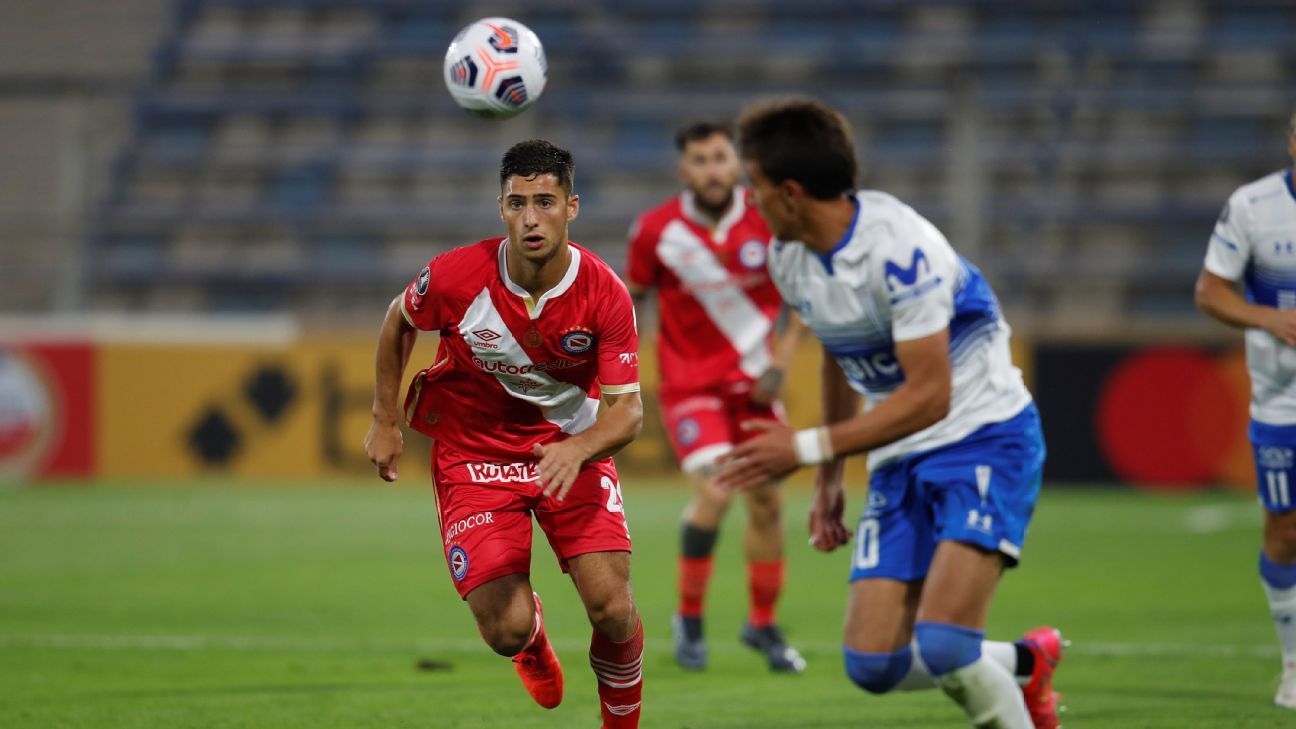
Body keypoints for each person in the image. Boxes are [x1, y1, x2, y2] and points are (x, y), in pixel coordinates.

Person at [716, 99, 1063, 729]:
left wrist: (806, 448)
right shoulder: (788, 258)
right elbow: (835, 351)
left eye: (755, 185)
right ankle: (1026, 663)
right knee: (873, 665)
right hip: (902, 455)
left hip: (985, 438)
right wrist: (827, 480)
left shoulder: (903, 250)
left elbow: (933, 396)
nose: (750, 200)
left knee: (947, 647)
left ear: (790, 193)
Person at [364, 140, 645, 728]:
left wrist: (579, 447)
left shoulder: (605, 294)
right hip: (474, 452)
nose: (531, 218)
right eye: (518, 203)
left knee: (613, 608)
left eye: (545, 202)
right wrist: (384, 419)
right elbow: (399, 321)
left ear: (573, 207)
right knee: (504, 630)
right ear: (501, 208)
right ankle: (532, 640)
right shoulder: (455, 275)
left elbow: (627, 413)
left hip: (568, 446)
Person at [624, 121, 806, 673]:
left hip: (755, 387)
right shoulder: (655, 231)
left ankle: (762, 625)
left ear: (738, 163)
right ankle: (690, 619)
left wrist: (780, 364)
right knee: (721, 489)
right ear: (684, 171)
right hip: (691, 390)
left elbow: (801, 295)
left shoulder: (768, 218)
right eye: (699, 161)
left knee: (769, 501)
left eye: (720, 158)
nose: (711, 170)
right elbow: (629, 301)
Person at [1195, 113, 1296, 710]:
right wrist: (1269, 318)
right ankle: (1292, 660)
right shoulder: (1252, 206)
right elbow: (1210, 291)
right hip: (1281, 397)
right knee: (1284, 530)